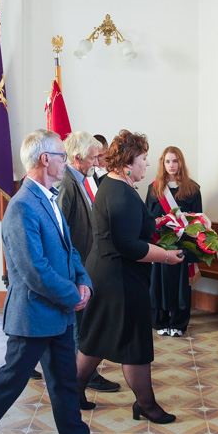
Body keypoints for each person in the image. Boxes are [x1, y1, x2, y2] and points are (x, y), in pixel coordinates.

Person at [0, 129, 123, 434]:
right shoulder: (21, 207)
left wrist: (83, 282)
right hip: (33, 316)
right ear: (45, 159)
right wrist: (72, 296)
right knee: (11, 380)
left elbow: (69, 250)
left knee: (64, 382)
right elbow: (35, 270)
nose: (66, 162)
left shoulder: (48, 196)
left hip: (58, 314)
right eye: (62, 156)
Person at [76, 130, 184, 423]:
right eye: (144, 158)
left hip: (107, 274)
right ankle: (146, 405)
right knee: (134, 344)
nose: (147, 164)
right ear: (128, 162)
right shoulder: (121, 192)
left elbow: (128, 228)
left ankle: (72, 393)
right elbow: (128, 245)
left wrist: (158, 221)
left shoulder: (116, 185)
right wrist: (166, 256)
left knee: (96, 336)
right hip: (119, 280)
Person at [56, 131, 121, 395]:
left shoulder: (83, 180)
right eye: (94, 157)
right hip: (73, 265)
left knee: (85, 323)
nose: (97, 162)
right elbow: (59, 230)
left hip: (84, 263)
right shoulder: (66, 183)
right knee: (80, 325)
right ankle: (83, 376)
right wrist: (71, 270)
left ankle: (83, 374)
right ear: (78, 156)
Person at [144, 146, 202, 337]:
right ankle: (160, 321)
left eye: (175, 161)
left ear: (181, 163)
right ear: (163, 163)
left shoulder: (193, 189)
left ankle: (178, 323)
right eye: (167, 161)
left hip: (182, 246)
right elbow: (147, 220)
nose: (171, 165)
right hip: (160, 246)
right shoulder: (154, 189)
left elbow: (198, 220)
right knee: (157, 284)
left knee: (180, 287)